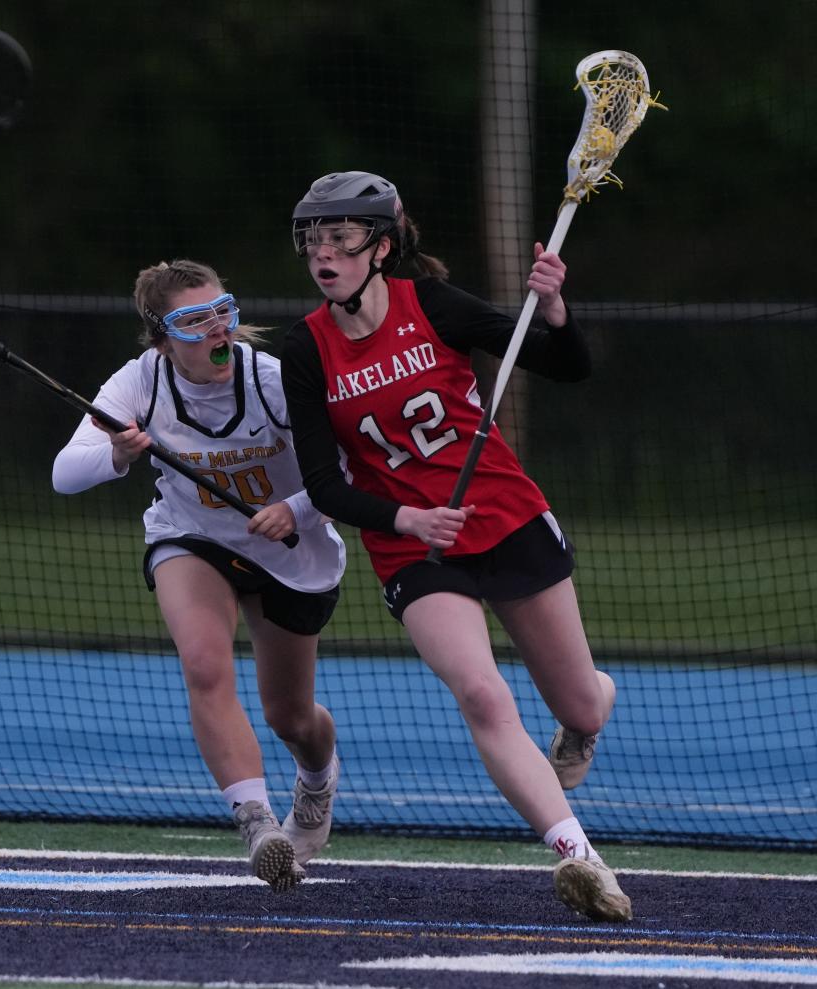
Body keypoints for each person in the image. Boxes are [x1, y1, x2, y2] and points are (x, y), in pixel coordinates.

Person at [279, 171, 631, 922]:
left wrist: (558, 310)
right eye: (313, 239)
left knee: (577, 703)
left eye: (340, 237)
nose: (323, 253)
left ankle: (588, 707)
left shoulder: (432, 304)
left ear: (381, 246)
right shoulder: (303, 349)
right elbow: (323, 483)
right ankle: (580, 858)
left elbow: (569, 364)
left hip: (506, 516)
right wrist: (404, 519)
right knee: (481, 692)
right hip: (417, 552)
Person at [52, 258, 344, 893]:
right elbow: (65, 473)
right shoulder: (139, 384)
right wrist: (116, 453)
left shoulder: (272, 381)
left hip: (291, 551)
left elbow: (344, 469)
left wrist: (291, 508)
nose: (217, 330)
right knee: (205, 665)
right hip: (193, 538)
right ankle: (258, 821)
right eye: (194, 320)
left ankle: (317, 783)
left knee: (291, 717)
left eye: (223, 313)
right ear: (161, 335)